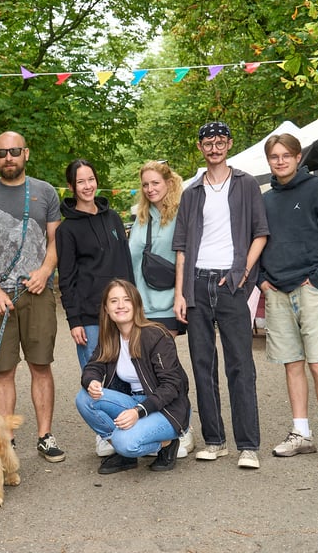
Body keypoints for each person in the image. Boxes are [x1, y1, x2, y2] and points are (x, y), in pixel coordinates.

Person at [172, 121, 269, 469]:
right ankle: (214, 440)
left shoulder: (246, 185)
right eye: (208, 142)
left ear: (229, 144)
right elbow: (181, 248)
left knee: (240, 365)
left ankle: (248, 445)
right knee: (202, 365)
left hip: (232, 284)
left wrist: (243, 272)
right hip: (197, 284)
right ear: (200, 147)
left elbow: (260, 233)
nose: (214, 147)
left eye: (220, 141)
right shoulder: (191, 192)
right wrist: (180, 293)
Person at [0, 131, 65, 463]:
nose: (8, 157)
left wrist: (45, 271)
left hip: (37, 293)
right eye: (1, 152)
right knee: (3, 369)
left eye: (14, 151)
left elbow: (55, 241)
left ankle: (44, 435)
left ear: (26, 153)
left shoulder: (45, 192)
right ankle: (6, 438)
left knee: (41, 365)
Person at [258, 133, 318, 464]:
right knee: (292, 365)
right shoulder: (265, 200)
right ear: (268, 161)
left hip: (310, 289)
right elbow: (253, 243)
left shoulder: (317, 190)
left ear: (298, 158)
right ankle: (301, 433)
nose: (280, 161)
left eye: (286, 155)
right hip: (277, 292)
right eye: (274, 156)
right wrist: (261, 282)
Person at [76, 279, 191, 474]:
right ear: (106, 308)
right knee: (84, 398)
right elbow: (93, 366)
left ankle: (166, 443)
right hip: (133, 400)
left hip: (166, 410)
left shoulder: (156, 335)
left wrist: (138, 411)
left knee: (125, 442)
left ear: (136, 304)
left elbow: (171, 386)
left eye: (126, 300)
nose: (120, 305)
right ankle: (126, 454)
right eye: (113, 301)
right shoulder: (111, 337)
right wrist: (92, 381)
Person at [127, 160, 195, 458]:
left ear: (168, 183)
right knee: (147, 370)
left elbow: (185, 257)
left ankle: (184, 427)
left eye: (155, 183)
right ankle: (161, 425)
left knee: (167, 368)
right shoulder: (140, 216)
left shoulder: (180, 213)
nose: (150, 189)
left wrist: (182, 296)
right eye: (145, 184)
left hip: (167, 303)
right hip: (141, 304)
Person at [56, 158, 133, 369]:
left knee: (128, 375)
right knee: (97, 379)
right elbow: (66, 278)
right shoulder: (67, 230)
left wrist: (135, 305)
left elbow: (126, 261)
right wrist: (75, 321)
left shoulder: (113, 218)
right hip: (90, 318)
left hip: (122, 312)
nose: (87, 186)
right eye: (81, 182)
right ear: (71, 186)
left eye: (91, 179)